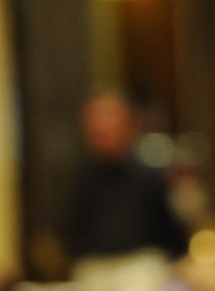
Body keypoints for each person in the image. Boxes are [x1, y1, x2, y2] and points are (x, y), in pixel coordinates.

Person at [67, 93, 187, 261]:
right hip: (93, 266)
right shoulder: (81, 180)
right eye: (95, 124)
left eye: (109, 123)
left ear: (129, 127)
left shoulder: (150, 178)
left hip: (142, 265)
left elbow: (171, 235)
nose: (102, 128)